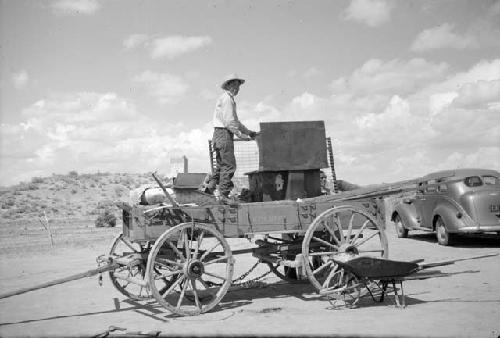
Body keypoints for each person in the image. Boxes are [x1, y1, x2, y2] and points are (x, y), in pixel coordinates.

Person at [206, 74, 257, 203]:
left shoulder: (227, 99)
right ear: (228, 85)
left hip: (219, 134)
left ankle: (209, 189)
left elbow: (236, 122)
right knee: (229, 165)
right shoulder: (227, 99)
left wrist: (249, 132)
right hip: (224, 133)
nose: (237, 88)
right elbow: (230, 122)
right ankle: (223, 195)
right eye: (234, 85)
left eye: (238, 85)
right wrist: (240, 135)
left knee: (221, 165)